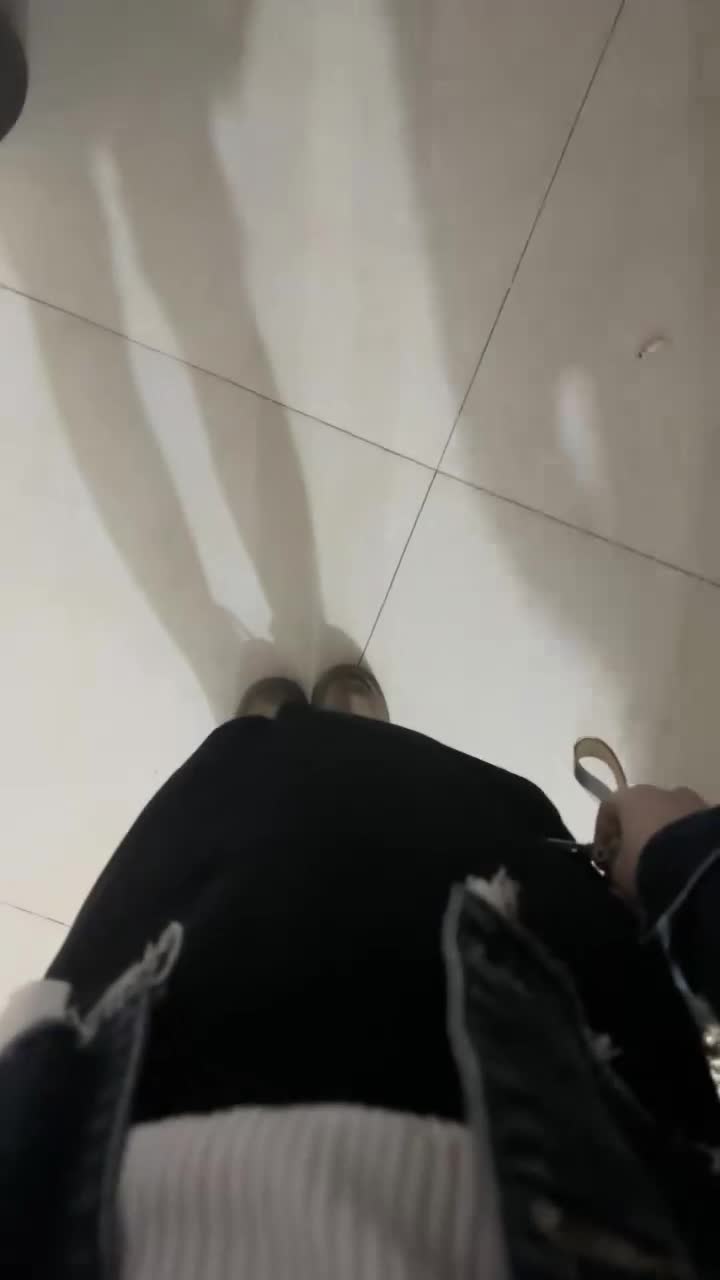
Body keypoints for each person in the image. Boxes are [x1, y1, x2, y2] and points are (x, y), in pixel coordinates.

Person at [1, 664, 720, 1278]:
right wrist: (683, 863)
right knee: (413, 812)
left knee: (251, 806)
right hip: (597, 1157)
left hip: (85, 1169)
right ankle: (339, 750)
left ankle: (308, 754)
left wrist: (686, 862)